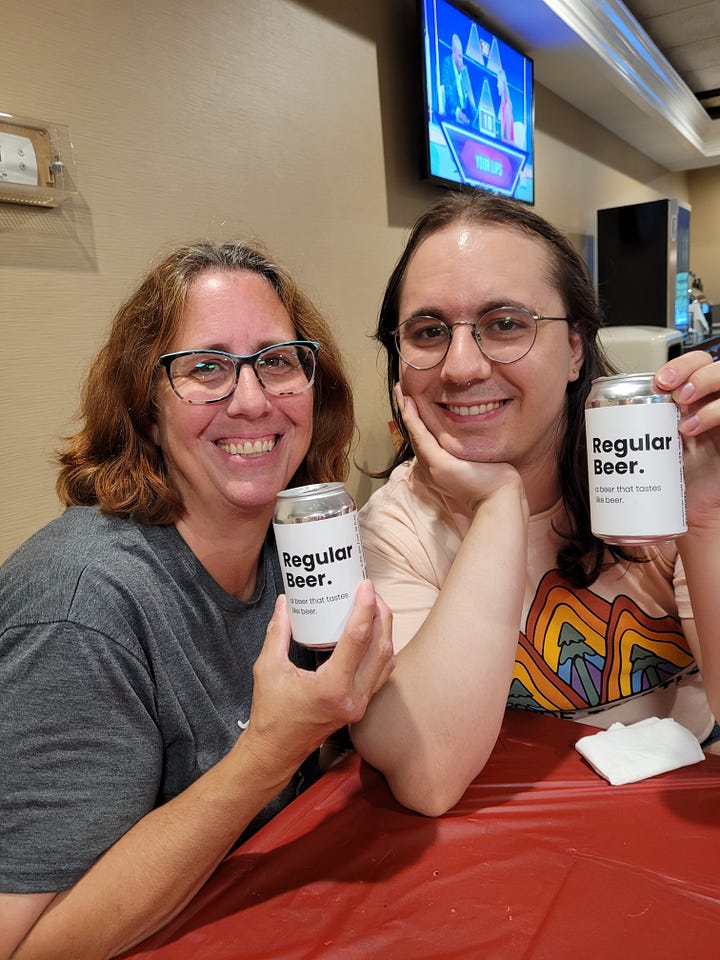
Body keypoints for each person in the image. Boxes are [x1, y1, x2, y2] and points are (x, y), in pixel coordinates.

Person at [0, 240, 394, 958]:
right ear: (146, 411)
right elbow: (26, 947)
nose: (252, 400)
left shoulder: (299, 544)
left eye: (277, 361)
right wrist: (270, 751)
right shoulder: (82, 606)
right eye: (206, 368)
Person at [350, 188, 720, 818]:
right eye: (429, 331)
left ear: (575, 349)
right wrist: (499, 504)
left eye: (505, 324)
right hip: (511, 858)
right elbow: (428, 776)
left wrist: (708, 521)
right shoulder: (393, 528)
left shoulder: (660, 478)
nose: (461, 366)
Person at [441, 34, 477, 126]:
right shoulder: (447, 63)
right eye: (460, 56)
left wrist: (476, 116)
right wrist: (459, 113)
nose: (462, 61)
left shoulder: (463, 71)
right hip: (453, 115)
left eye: (462, 57)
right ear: (453, 52)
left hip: (465, 117)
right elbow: (447, 92)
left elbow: (469, 98)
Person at [496, 69, 515, 143]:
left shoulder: (507, 106)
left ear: (502, 83)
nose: (497, 85)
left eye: (498, 82)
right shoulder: (502, 105)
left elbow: (508, 138)